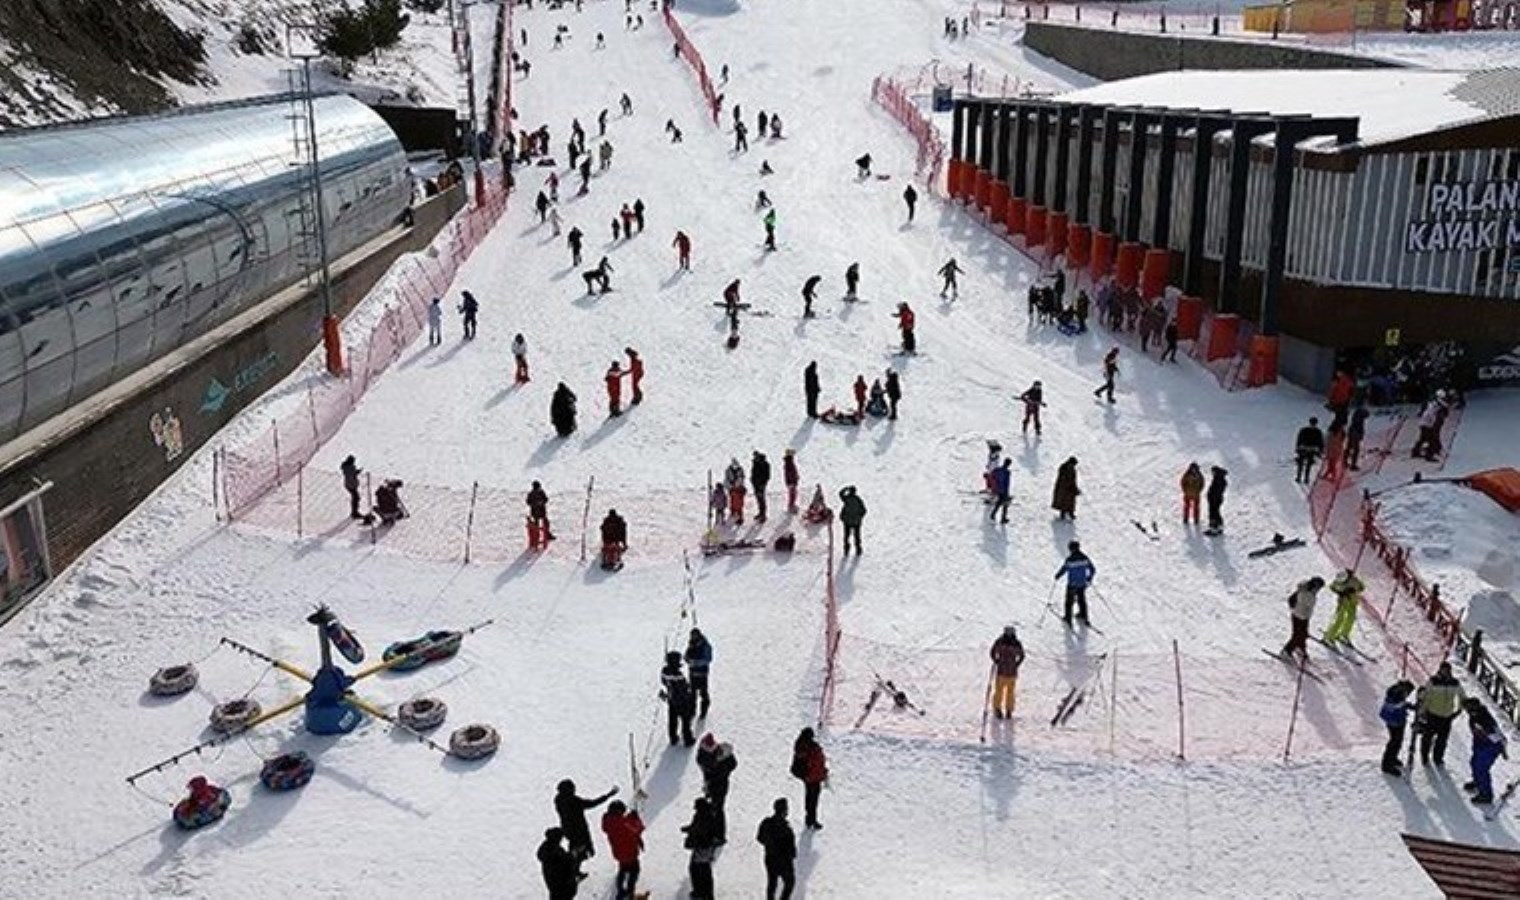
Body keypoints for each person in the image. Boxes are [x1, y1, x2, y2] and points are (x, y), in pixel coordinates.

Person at [556, 779, 618, 862]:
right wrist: (607, 796)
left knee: (575, 849)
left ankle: (574, 869)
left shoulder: (558, 800)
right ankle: (573, 869)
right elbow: (592, 803)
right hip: (579, 829)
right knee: (580, 851)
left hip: (567, 828)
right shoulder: (574, 801)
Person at [1417, 662, 1464, 766]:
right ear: (1440, 669)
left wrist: (1459, 709)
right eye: (1444, 669)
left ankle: (1438, 758)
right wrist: (1422, 711)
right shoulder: (1433, 681)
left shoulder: (1455, 683)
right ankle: (1424, 756)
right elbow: (1426, 696)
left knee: (1442, 739)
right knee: (1427, 737)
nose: (1445, 672)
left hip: (1447, 716)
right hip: (1433, 714)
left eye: (1447, 670)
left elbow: (1462, 696)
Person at [696, 734, 738, 842]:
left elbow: (731, 764)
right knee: (715, 808)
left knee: (717, 809)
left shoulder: (705, 755)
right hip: (716, 784)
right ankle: (714, 832)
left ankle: (718, 834)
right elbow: (732, 764)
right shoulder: (709, 756)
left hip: (717, 785)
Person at [1465, 698, 1507, 804]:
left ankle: (1486, 794)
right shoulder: (1474, 717)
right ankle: (1478, 782)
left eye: (1468, 709)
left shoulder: (1484, 719)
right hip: (1480, 745)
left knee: (1481, 769)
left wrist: (1502, 749)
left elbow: (1496, 734)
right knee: (1474, 763)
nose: (1467, 711)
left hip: (1490, 747)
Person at [600, 801, 645, 900]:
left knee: (622, 870)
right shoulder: (624, 824)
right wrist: (636, 819)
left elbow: (623, 822)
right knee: (634, 871)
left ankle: (620, 891)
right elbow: (637, 829)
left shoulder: (608, 821)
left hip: (618, 853)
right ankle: (630, 892)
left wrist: (630, 817)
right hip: (630, 853)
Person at [756, 798, 797, 900]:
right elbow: (792, 851)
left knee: (772, 882)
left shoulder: (766, 823)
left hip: (769, 858)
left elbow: (759, 838)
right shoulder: (786, 829)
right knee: (790, 882)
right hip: (784, 861)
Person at [683, 797, 721, 899]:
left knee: (696, 869)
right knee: (705, 871)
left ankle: (699, 893)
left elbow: (698, 829)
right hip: (708, 848)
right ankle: (707, 894)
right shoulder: (709, 814)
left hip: (702, 847)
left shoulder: (701, 816)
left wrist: (690, 833)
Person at [790, 728, 828, 829]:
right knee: (813, 800)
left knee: (809, 798)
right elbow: (817, 762)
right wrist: (823, 772)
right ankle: (812, 820)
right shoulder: (811, 748)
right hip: (813, 777)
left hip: (808, 777)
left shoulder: (801, 746)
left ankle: (809, 819)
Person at [1281, 576, 1325, 660]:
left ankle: (1300, 647)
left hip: (1304, 616)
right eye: (1319, 588)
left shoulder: (1307, 591)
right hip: (1299, 615)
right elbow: (1306, 605)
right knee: (1297, 635)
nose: (1319, 590)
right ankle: (1286, 651)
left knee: (1303, 634)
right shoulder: (1307, 594)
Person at [1380, 681, 1417, 776]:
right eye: (1409, 692)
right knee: (1394, 742)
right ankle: (1387, 765)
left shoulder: (1399, 692)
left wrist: (1410, 706)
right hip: (1394, 721)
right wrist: (1404, 703)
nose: (1409, 694)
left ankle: (1393, 758)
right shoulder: (1396, 692)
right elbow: (1397, 704)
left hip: (1398, 720)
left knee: (1398, 742)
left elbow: (1402, 703)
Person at [660, 650, 697, 746]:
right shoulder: (679, 675)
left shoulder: (664, 671)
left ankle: (673, 738)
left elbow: (663, 681)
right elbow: (684, 688)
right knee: (685, 720)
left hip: (671, 699)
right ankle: (688, 739)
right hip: (682, 701)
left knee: (672, 720)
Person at [1055, 541, 1096, 625]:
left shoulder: (1070, 560)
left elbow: (1064, 569)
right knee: (1081, 600)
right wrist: (1089, 578)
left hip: (1072, 584)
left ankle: (1068, 618)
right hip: (1082, 583)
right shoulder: (1084, 558)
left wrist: (1057, 576)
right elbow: (1092, 569)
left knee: (1069, 601)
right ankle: (1084, 616)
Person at [989, 625, 1025, 718]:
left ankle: (1009, 710)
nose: (1009, 634)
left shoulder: (1015, 643)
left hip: (1010, 672)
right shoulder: (1001, 642)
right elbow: (992, 652)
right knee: (1000, 692)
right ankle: (998, 709)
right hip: (1003, 671)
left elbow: (1022, 655)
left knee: (1010, 692)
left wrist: (1016, 664)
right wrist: (996, 661)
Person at [537, 827, 580, 900]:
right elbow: (564, 866)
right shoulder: (555, 853)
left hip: (556, 887)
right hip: (562, 887)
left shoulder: (548, 850)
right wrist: (572, 856)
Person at [1323, 569, 1364, 644]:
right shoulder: (1338, 580)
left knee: (1351, 618)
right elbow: (1332, 587)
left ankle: (1343, 634)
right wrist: (1341, 592)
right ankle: (1330, 636)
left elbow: (1362, 587)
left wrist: (1353, 590)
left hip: (1353, 601)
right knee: (1339, 618)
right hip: (1343, 602)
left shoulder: (1354, 580)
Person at [686, 628, 713, 717]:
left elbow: (708, 659)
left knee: (703, 693)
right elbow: (686, 655)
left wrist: (696, 663)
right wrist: (688, 660)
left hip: (702, 674)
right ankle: (691, 711)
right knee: (692, 694)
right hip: (692, 673)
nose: (693, 637)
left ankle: (703, 711)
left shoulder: (705, 645)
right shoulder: (691, 644)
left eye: (694, 635)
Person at [1294, 416, 1325, 485]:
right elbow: (1320, 442)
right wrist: (1320, 451)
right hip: (1311, 450)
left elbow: (1299, 440)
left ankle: (1300, 477)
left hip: (1304, 449)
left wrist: (1298, 448)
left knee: (1301, 464)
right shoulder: (1318, 432)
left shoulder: (1303, 430)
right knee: (1308, 465)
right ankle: (1305, 478)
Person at [838, 486, 866, 555]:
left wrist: (845, 488)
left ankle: (846, 550)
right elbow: (864, 510)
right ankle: (858, 550)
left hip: (847, 521)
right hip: (856, 522)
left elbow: (840, 494)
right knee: (857, 536)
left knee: (846, 536)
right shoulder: (858, 500)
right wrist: (859, 517)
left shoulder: (847, 498)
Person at [527, 480, 554, 547]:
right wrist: (540, 503)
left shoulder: (531, 493)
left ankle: (537, 537)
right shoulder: (540, 492)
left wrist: (534, 504)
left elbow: (528, 502)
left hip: (535, 512)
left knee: (537, 524)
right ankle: (546, 535)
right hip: (541, 512)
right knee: (545, 523)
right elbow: (546, 499)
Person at [1344, 402, 1369, 470]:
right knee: (1355, 449)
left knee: (1349, 447)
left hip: (1352, 431)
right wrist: (1360, 434)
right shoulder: (1359, 414)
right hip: (1355, 432)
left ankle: (1344, 462)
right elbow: (1366, 414)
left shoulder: (1356, 413)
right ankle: (1352, 464)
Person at [989, 458, 1013, 525]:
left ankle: (993, 514)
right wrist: (1007, 493)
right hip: (1004, 490)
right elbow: (1007, 484)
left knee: (999, 503)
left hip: (997, 489)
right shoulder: (1007, 472)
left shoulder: (997, 470)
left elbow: (992, 475)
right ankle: (1003, 518)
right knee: (1005, 505)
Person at [1205, 466, 1228, 535]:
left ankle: (1213, 529)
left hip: (1214, 499)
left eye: (1213, 472)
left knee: (1213, 513)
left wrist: (1212, 498)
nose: (1212, 473)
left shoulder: (1218, 479)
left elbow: (1215, 491)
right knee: (1217, 512)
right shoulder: (1221, 479)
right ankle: (1219, 527)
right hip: (1218, 498)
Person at [1180, 462, 1204, 526]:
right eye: (1193, 468)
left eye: (1195, 468)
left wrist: (1198, 491)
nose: (1194, 470)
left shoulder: (1200, 475)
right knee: (1186, 507)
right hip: (1187, 494)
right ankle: (1185, 519)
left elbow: (1202, 484)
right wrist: (1185, 491)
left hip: (1196, 494)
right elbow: (1182, 482)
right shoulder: (1187, 474)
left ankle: (1196, 519)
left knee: (1196, 507)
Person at [724, 458, 747, 525]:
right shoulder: (728, 470)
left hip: (739, 489)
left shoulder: (740, 470)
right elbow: (726, 479)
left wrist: (739, 484)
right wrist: (730, 486)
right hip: (731, 488)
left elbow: (742, 478)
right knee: (732, 500)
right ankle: (733, 511)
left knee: (739, 503)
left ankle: (739, 514)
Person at [751, 451, 772, 523]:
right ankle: (760, 513)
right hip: (756, 485)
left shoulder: (764, 464)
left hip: (761, 485)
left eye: (755, 456)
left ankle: (763, 515)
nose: (754, 457)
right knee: (759, 500)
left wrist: (762, 485)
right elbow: (754, 474)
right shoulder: (755, 463)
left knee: (761, 500)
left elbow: (767, 476)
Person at [783, 448, 800, 512]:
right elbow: (789, 473)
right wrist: (791, 482)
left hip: (792, 481)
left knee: (793, 494)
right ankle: (791, 506)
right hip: (792, 482)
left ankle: (792, 505)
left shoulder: (789, 462)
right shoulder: (789, 462)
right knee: (792, 495)